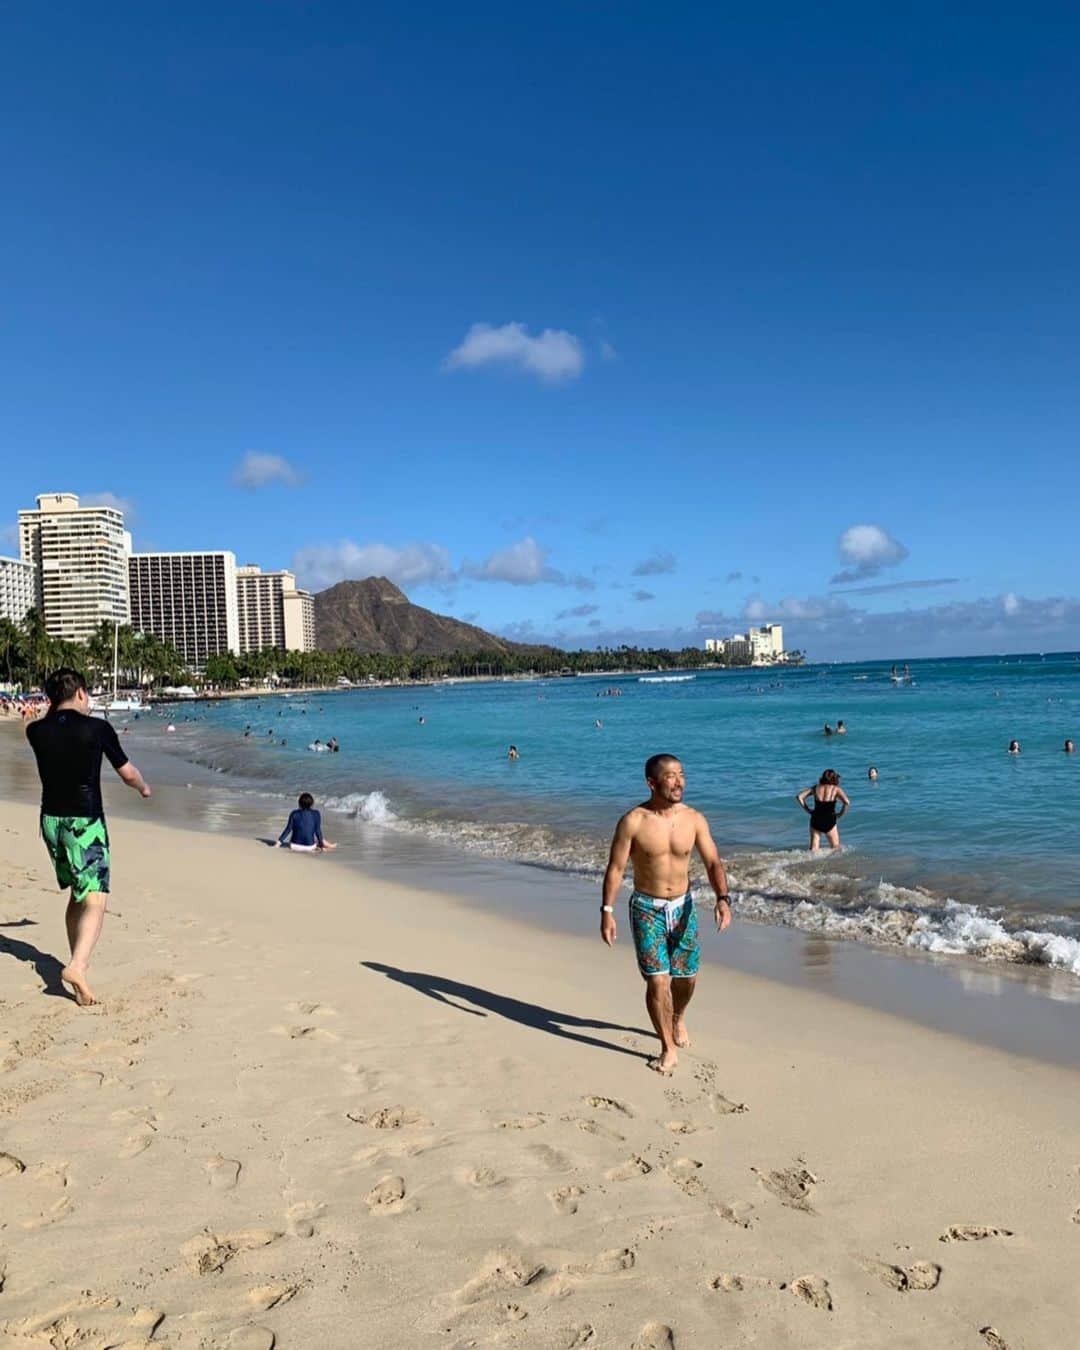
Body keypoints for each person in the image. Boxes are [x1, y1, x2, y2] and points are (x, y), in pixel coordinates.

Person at [25, 667, 152, 1006]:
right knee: (96, 897)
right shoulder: (98, 728)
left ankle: (76, 964)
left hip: (51, 822)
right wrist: (143, 787)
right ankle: (78, 965)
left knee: (77, 895)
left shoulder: (35, 730)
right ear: (81, 693)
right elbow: (126, 773)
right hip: (84, 823)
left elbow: (57, 724)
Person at [601, 754, 732, 1076]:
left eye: (681, 774)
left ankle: (678, 1018)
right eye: (670, 776)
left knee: (686, 978)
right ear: (652, 783)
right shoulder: (633, 821)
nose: (679, 782)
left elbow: (713, 862)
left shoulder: (694, 819)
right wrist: (607, 911)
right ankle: (667, 1047)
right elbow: (616, 868)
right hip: (646, 908)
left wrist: (723, 898)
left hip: (684, 907)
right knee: (658, 981)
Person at [796, 769, 849, 851]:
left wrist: (808, 810)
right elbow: (847, 802)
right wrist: (840, 814)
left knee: (814, 849)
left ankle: (811, 863)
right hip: (829, 820)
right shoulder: (836, 789)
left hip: (816, 819)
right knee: (835, 848)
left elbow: (799, 797)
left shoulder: (815, 788)